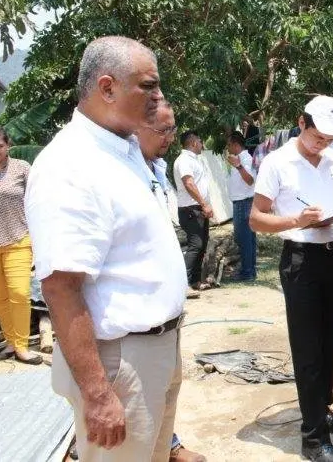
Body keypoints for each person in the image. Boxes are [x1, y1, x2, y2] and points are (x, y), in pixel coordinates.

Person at [24, 36, 186, 461]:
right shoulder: (70, 165)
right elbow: (61, 287)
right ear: (108, 88)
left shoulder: (123, 149)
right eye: (148, 86)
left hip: (157, 349)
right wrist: (97, 392)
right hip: (118, 361)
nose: (158, 97)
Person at [250, 96, 333, 462]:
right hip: (300, 260)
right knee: (307, 349)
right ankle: (313, 439)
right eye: (318, 137)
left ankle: (323, 409)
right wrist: (296, 221)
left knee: (329, 343)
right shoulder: (277, 162)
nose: (323, 144)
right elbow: (256, 218)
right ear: (301, 123)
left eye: (329, 139)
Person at [136, 102, 206, 462]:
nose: (170, 137)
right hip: (137, 319)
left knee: (166, 390)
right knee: (137, 403)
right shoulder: (117, 168)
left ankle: (169, 445)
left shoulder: (157, 167)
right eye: (162, 130)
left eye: (173, 130)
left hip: (168, 314)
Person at [0, 126, 42, 365]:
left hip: (19, 239)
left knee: (20, 293)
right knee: (0, 298)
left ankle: (22, 347)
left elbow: (37, 201)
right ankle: (11, 342)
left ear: (8, 146)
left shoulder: (22, 168)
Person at [174, 130, 213, 292]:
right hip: (190, 208)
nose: (202, 144)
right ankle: (183, 284)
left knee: (202, 245)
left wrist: (205, 205)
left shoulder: (194, 160)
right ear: (193, 142)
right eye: (200, 141)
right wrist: (203, 204)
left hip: (199, 207)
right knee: (195, 245)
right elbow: (189, 183)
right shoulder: (184, 160)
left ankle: (195, 281)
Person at [226, 130, 257, 281]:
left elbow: (250, 180)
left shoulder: (245, 159)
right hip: (242, 202)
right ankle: (250, 270)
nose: (227, 148)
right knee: (247, 239)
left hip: (244, 203)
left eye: (229, 145)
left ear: (235, 144)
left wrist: (238, 166)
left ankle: (247, 272)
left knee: (243, 239)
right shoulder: (240, 159)